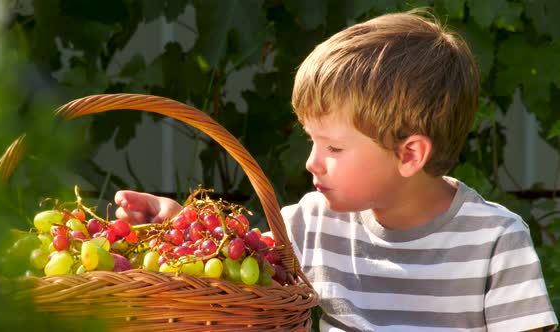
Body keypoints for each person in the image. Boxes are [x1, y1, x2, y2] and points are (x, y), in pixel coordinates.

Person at [114, 9, 558, 332]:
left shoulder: (496, 242)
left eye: (334, 147)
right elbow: (234, 257)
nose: (311, 161)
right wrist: (177, 225)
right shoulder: (311, 223)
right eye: (312, 140)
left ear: (409, 155)